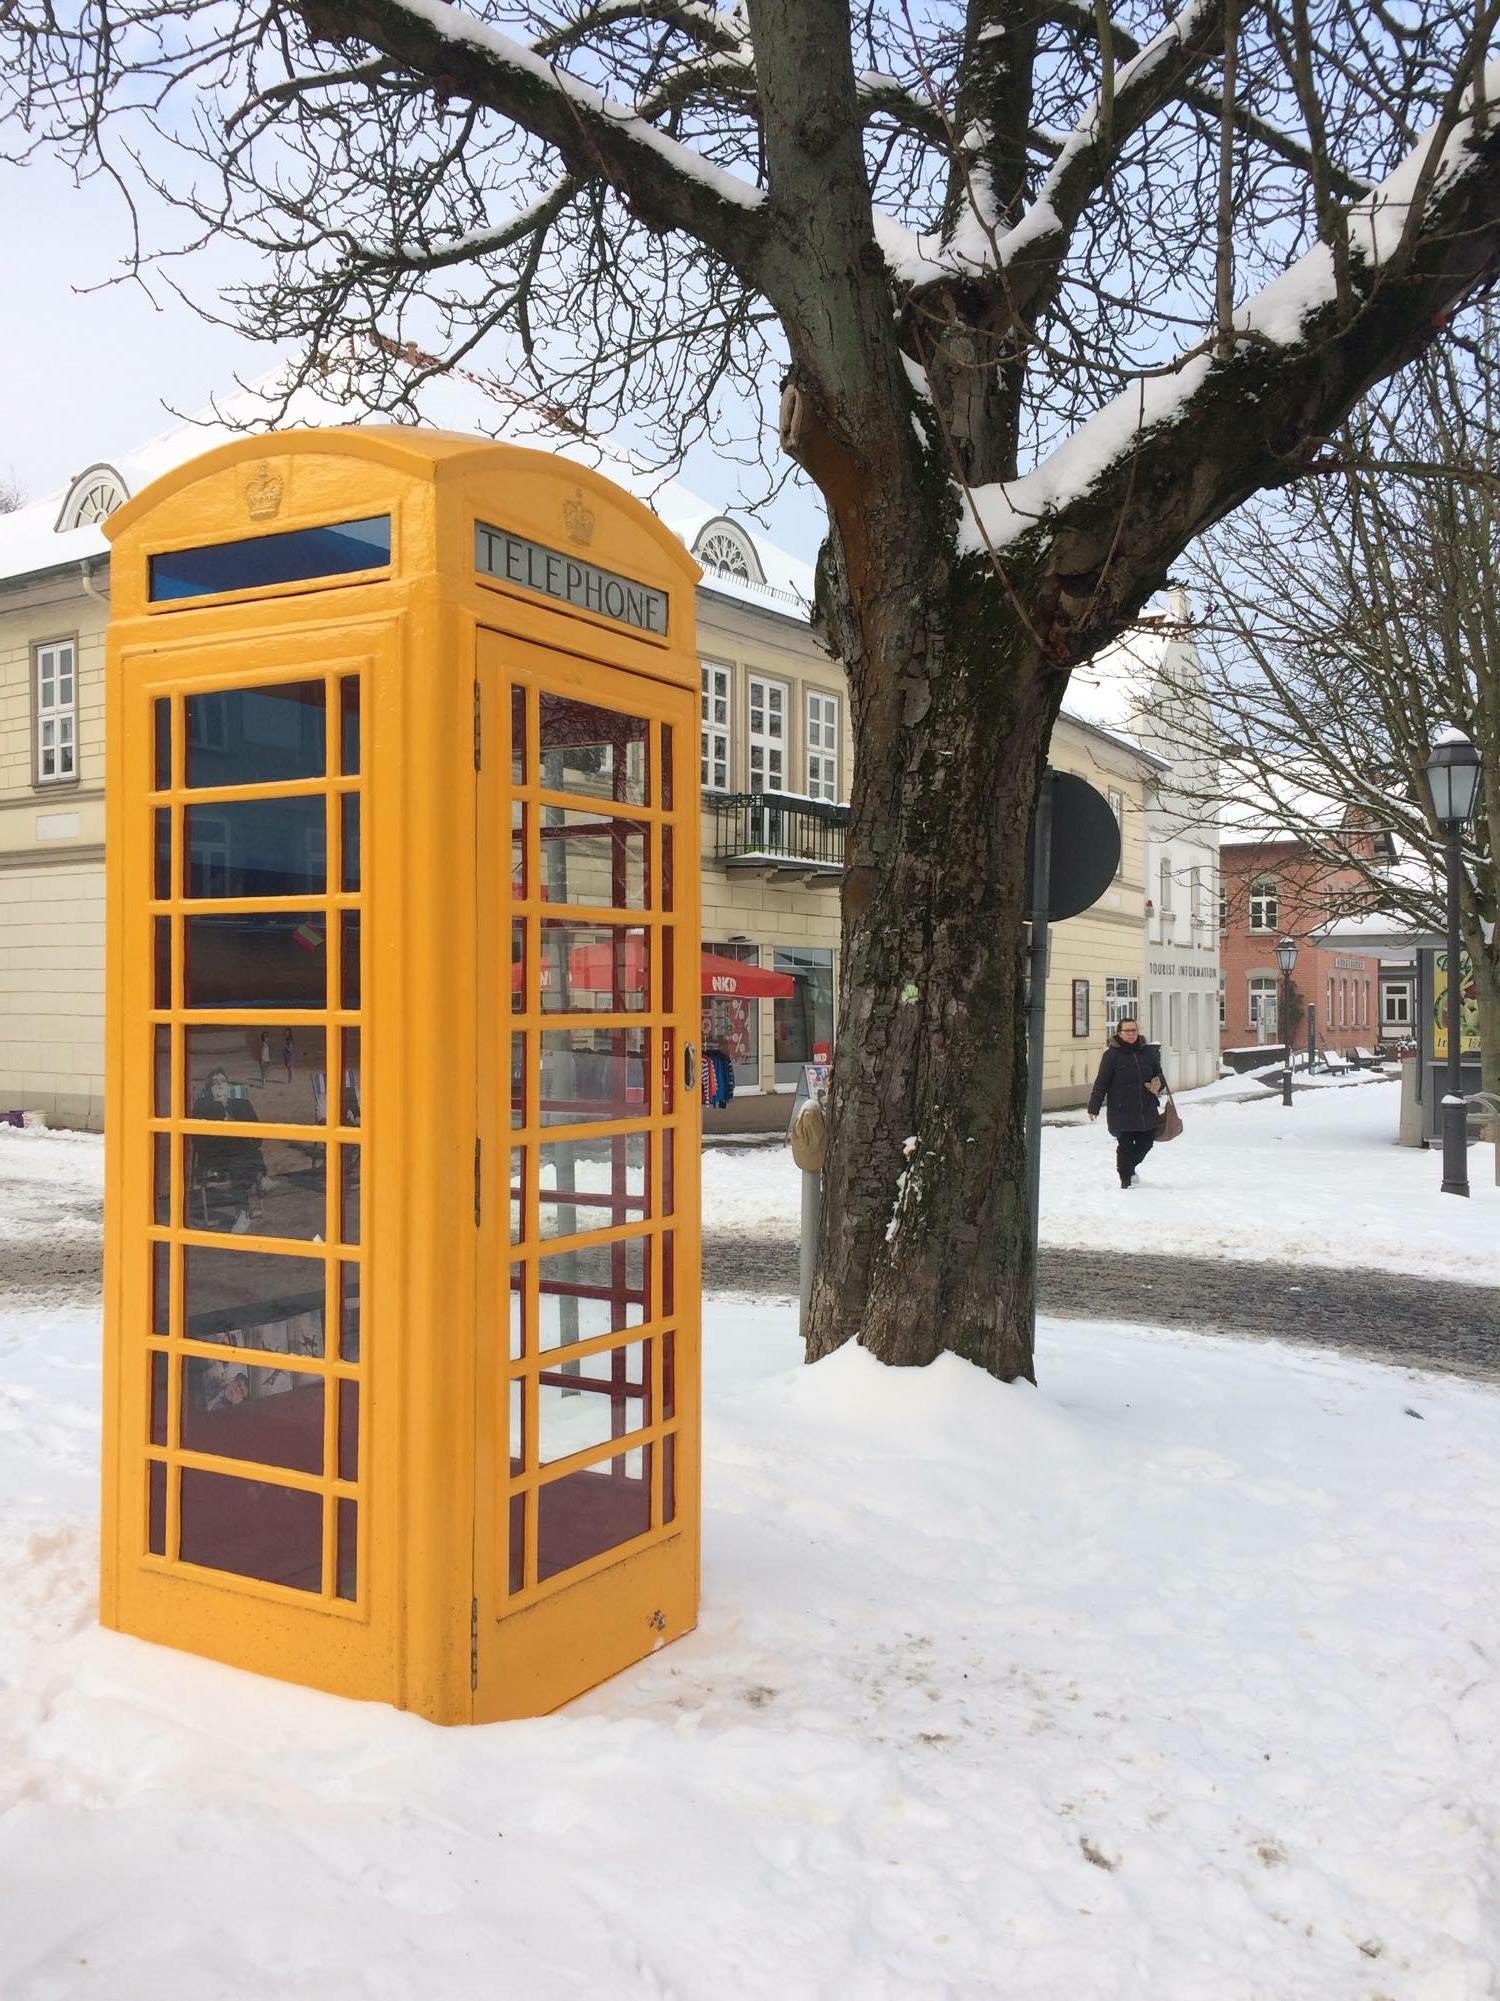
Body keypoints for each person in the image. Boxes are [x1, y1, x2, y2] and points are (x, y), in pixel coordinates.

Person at [1087, 1017, 1168, 1189]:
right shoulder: (1111, 1056)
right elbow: (1101, 1082)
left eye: (1134, 1030)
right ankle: (1126, 1180)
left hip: (1145, 1108)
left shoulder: (1148, 1052)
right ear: (1119, 1033)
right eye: (1127, 1031)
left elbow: (1159, 1075)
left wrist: (1158, 1084)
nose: (1131, 1034)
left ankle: (1128, 1169)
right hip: (1121, 1109)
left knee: (1146, 1143)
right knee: (1125, 1145)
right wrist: (1094, 1106)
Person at [190, 1067, 271, 1233]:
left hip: (241, 1154)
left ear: (228, 1086)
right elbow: (199, 1139)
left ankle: (243, 1215)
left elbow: (257, 1129)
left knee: (240, 1155)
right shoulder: (202, 1106)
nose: (219, 1085)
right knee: (238, 1148)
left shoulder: (242, 1104)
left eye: (222, 1081)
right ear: (209, 1089)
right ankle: (259, 1177)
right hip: (216, 1154)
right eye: (215, 1083)